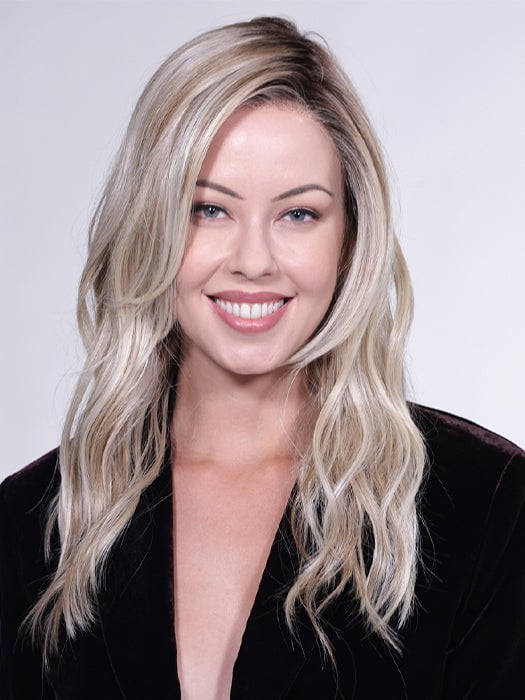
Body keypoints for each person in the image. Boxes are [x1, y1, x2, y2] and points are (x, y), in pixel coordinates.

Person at [1, 16, 524, 700]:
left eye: (297, 214)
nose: (253, 260)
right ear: (150, 226)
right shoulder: (27, 526)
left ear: (349, 239)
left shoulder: (486, 504)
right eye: (208, 210)